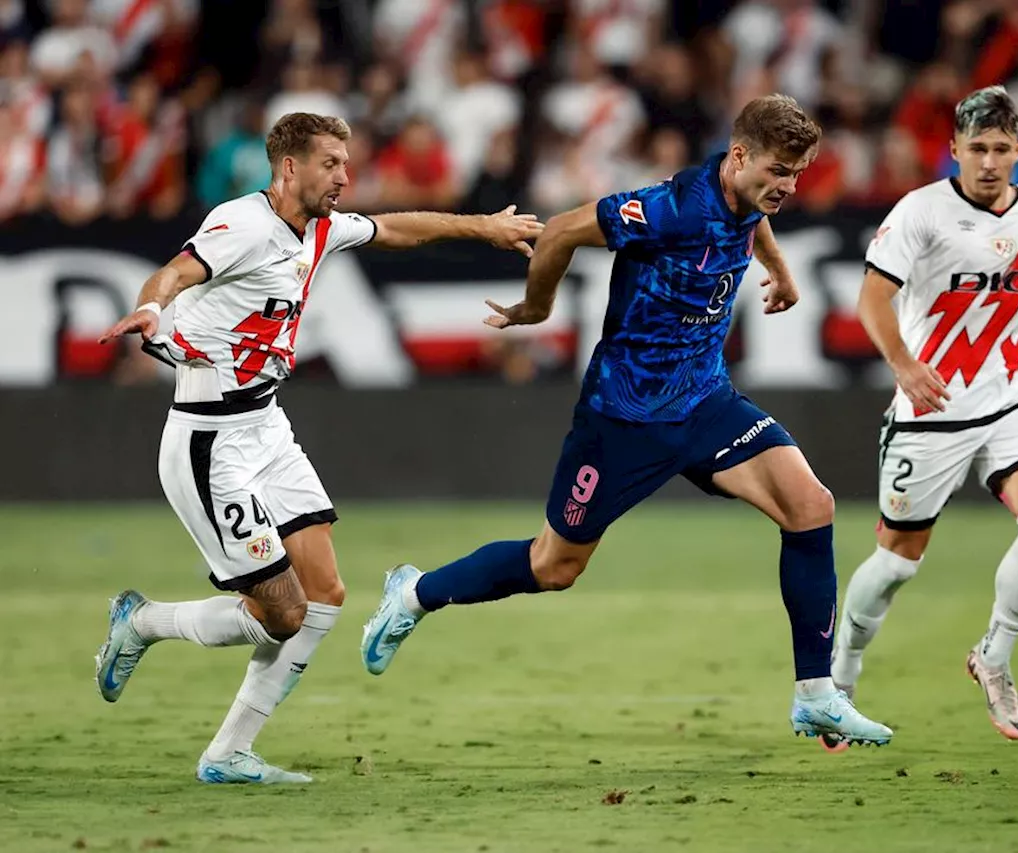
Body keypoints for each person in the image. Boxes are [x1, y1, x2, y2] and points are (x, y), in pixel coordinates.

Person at [357, 94, 894, 749]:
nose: (787, 186)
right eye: (778, 170)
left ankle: (816, 695)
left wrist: (778, 270)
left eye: (797, 174)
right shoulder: (669, 210)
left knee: (810, 505)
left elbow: (753, 218)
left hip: (704, 400)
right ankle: (414, 593)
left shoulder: (744, 193)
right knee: (554, 565)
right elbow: (558, 231)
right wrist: (535, 305)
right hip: (625, 415)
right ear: (740, 156)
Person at [93, 112, 543, 783]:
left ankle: (227, 754)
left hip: (266, 427)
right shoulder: (241, 224)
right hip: (209, 442)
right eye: (331, 162)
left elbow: (395, 227)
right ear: (289, 168)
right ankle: (143, 622)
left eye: (345, 161)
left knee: (327, 591)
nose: (344, 174)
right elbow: (175, 273)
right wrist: (153, 309)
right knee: (282, 613)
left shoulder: (322, 228)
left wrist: (487, 227)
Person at [829, 85, 1018, 745]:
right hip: (931, 408)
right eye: (976, 148)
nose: (988, 161)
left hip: (1012, 398)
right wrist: (902, 362)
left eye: (1001, 148)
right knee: (896, 562)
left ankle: (995, 655)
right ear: (952, 149)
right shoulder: (920, 212)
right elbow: (872, 299)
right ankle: (840, 676)